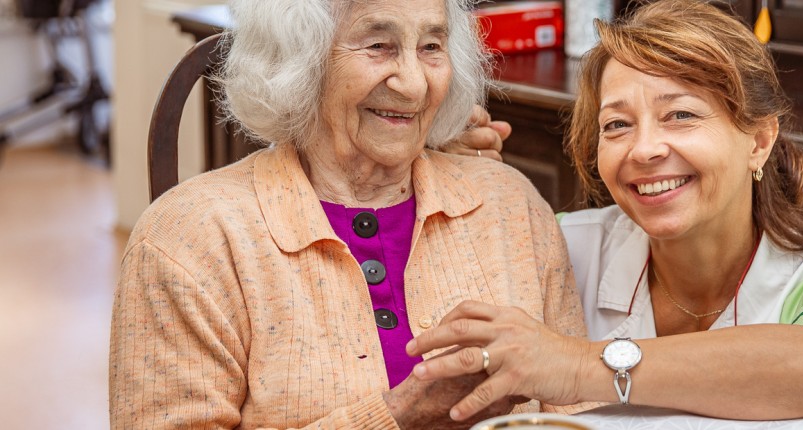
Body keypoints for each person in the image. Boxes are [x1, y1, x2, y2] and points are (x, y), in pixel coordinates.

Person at [407, 0, 803, 422]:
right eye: (617, 125)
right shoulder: (557, 246)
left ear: (759, 140)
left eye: (680, 115)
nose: (644, 150)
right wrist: (454, 188)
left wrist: (574, 365)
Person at [108, 0, 585, 428]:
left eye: (431, 46)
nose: (415, 83)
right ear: (301, 58)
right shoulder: (190, 239)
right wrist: (395, 416)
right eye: (379, 45)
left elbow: (579, 411)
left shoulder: (509, 204)